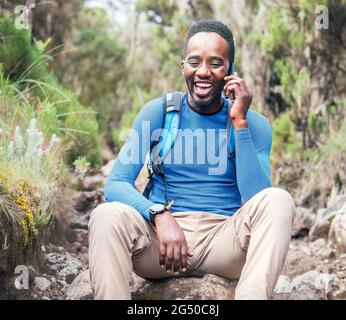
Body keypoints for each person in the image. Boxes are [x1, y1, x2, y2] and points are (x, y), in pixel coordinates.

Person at [88, 19, 296, 300]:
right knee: (105, 214)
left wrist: (239, 121)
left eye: (215, 63)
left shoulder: (253, 124)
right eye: (194, 61)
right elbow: (116, 184)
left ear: (230, 71)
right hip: (161, 247)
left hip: (225, 242)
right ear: (182, 66)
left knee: (279, 199)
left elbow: (256, 197)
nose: (203, 72)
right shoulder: (158, 113)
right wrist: (158, 214)